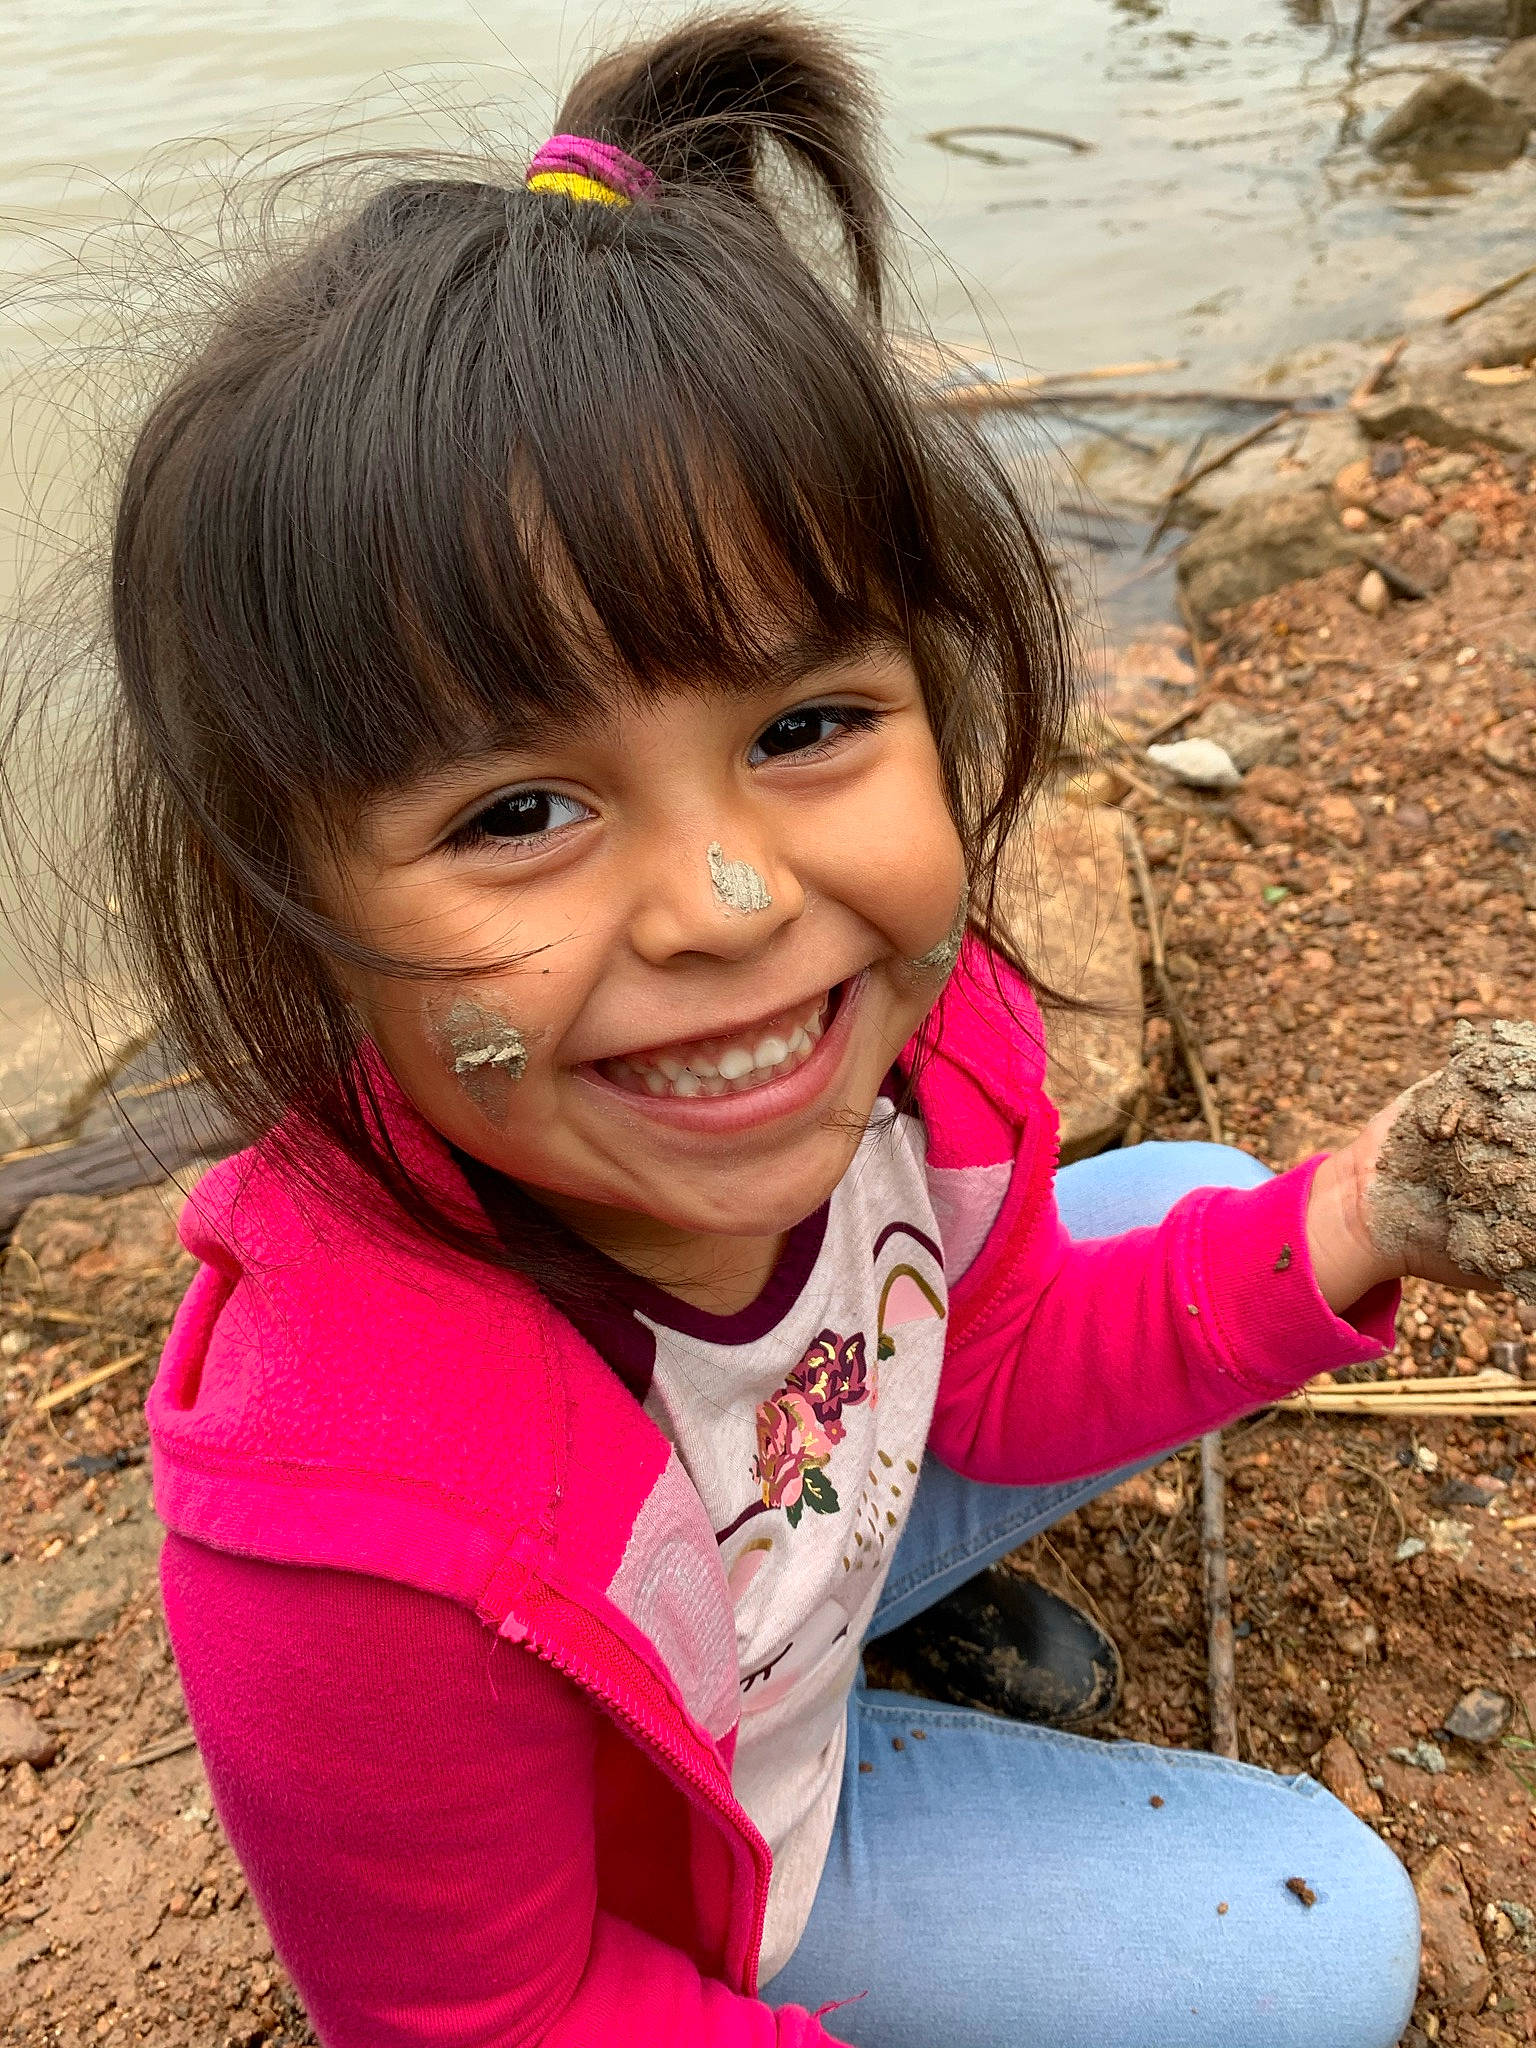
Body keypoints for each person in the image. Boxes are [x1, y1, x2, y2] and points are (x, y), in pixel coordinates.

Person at [87, 9, 1442, 2042]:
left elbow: (997, 1367)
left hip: (759, 1544)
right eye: (518, 814)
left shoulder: (913, 1034)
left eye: (807, 725)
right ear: (300, 920)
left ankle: (832, 1635)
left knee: (1207, 1195)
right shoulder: (350, 1522)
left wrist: (1361, 1216)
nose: (732, 906)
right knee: (1317, 1949)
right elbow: (501, 2020)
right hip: (682, 1870)